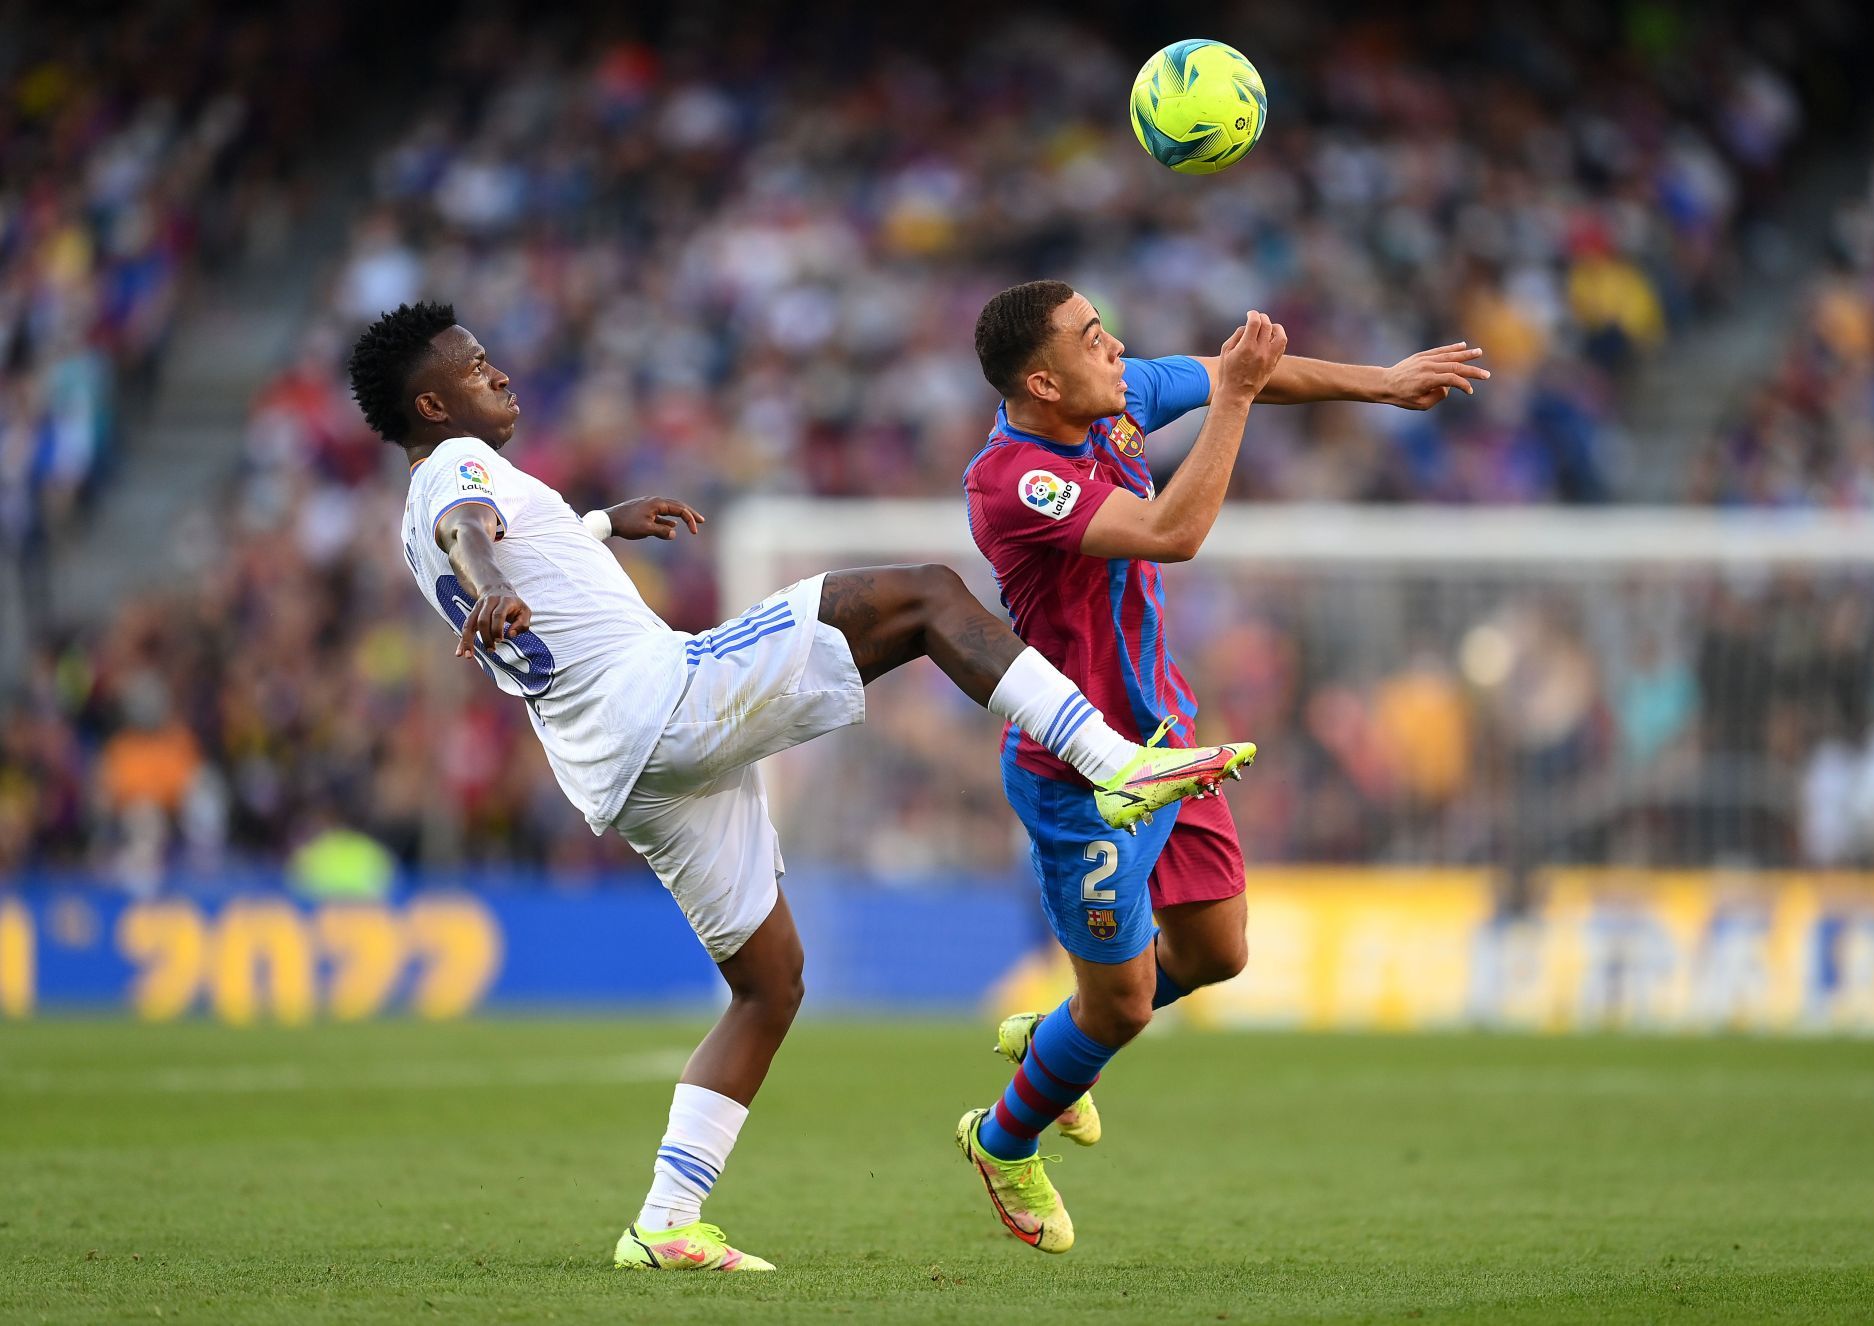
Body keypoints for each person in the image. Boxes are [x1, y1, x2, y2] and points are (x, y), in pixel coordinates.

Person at [345, 301, 1255, 1274]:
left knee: (768, 988)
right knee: (927, 596)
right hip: (663, 699)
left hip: (617, 767)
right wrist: (485, 578)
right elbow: (472, 532)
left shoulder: (421, 507)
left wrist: (608, 523)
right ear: (432, 403)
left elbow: (512, 536)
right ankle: (1111, 760)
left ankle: (665, 1221)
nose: (503, 374)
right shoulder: (451, 474)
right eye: (479, 368)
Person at [955, 281, 1488, 1253]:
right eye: (1090, 338)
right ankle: (1003, 1138)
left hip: (1166, 741)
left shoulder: (1113, 402)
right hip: (1086, 774)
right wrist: (1236, 398)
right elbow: (1175, 534)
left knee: (1215, 953)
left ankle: (1059, 1039)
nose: (1115, 348)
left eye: (1106, 327)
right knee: (1119, 1010)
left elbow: (1232, 373)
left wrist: (1383, 384)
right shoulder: (1013, 480)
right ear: (1042, 379)